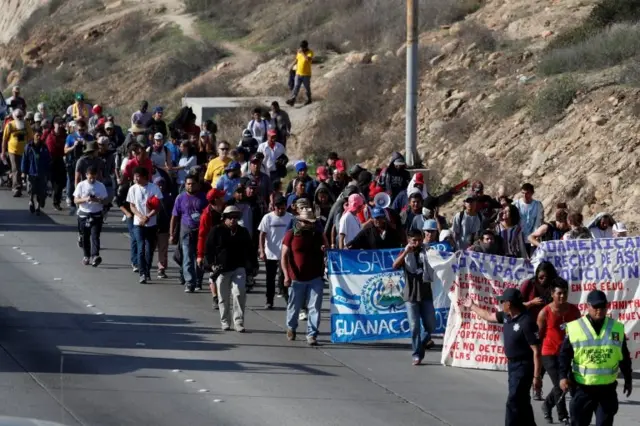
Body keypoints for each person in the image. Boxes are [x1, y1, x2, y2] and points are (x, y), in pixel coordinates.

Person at [465, 288, 542, 426]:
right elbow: (488, 316)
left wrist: (537, 377)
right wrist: (472, 305)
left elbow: (536, 351)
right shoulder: (507, 316)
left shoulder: (526, 322)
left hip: (523, 367)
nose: (501, 304)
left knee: (513, 401)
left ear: (509, 303)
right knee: (522, 401)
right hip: (512, 366)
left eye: (503, 302)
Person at [559, 290, 633, 426]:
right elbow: (564, 355)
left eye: (602, 307)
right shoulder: (575, 328)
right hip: (582, 388)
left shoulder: (616, 328)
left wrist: (628, 379)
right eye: (595, 307)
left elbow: (624, 356)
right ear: (588, 306)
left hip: (607, 389)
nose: (599, 311)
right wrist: (563, 376)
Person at [537, 280, 581, 425]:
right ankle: (563, 416)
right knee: (559, 384)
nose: (562, 296)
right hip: (549, 352)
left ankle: (547, 405)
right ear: (552, 294)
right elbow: (539, 335)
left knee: (565, 383)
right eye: (559, 293)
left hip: (567, 353)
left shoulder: (574, 311)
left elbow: (580, 332)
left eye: (565, 293)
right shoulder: (545, 312)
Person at [205, 205, 254, 332]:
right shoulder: (216, 230)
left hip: (239, 267)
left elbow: (250, 250)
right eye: (230, 217)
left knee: (239, 293)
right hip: (222, 269)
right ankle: (225, 321)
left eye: (235, 217)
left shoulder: (243, 232)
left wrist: (252, 267)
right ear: (224, 218)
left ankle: (238, 321)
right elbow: (209, 249)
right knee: (223, 296)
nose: (233, 220)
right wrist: (211, 264)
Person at [393, 229, 436, 365]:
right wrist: (406, 252)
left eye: (419, 240)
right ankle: (416, 354)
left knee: (431, 325)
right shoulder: (405, 252)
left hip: (426, 294)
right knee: (414, 326)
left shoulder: (428, 251)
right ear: (408, 240)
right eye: (414, 240)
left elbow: (441, 261)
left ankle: (421, 344)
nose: (417, 243)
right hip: (411, 295)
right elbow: (395, 265)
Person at [281, 208, 324, 345]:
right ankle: (291, 327)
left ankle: (312, 334)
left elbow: (327, 248)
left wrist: (325, 249)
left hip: (315, 276)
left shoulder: (317, 234)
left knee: (315, 307)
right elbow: (284, 256)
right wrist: (286, 275)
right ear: (300, 221)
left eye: (311, 222)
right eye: (306, 222)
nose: (308, 225)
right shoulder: (291, 234)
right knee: (294, 306)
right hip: (296, 277)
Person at [126, 166, 163, 284]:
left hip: (151, 224)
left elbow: (158, 206)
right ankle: (142, 273)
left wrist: (148, 216)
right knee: (140, 248)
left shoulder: (154, 188)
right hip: (138, 223)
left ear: (145, 177)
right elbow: (132, 206)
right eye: (134, 176)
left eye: (138, 176)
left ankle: (147, 271)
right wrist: (140, 216)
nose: (136, 179)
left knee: (149, 250)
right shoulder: (132, 189)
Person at [170, 175, 208, 293]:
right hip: (186, 231)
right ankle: (189, 282)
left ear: (198, 184)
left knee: (200, 257)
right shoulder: (180, 198)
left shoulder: (204, 198)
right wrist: (172, 233)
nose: (190, 186)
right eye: (188, 184)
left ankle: (198, 281)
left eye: (193, 183)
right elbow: (175, 217)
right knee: (187, 257)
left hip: (201, 232)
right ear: (185, 185)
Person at [259, 195, 293, 309]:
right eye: (278, 207)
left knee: (285, 278)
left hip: (286, 254)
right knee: (270, 279)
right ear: (274, 207)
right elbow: (262, 235)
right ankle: (269, 300)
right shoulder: (267, 218)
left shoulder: (291, 218)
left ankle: (288, 300)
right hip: (271, 253)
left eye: (282, 207)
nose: (280, 210)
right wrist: (262, 251)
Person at [197, 188, 226, 309]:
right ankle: (215, 297)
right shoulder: (206, 215)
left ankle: (223, 296)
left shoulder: (226, 210)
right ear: (216, 200)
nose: (223, 198)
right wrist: (200, 255)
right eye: (220, 196)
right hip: (212, 248)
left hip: (225, 246)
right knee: (213, 273)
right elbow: (202, 235)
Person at [73, 165, 107, 267]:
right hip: (84, 215)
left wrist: (97, 200)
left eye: (94, 177)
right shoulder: (81, 185)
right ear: (86, 175)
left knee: (95, 236)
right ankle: (86, 255)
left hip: (96, 214)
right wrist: (85, 199)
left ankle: (95, 255)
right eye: (90, 177)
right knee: (85, 237)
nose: (92, 179)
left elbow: (105, 200)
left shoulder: (100, 186)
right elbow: (75, 200)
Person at [2, 109, 34, 197]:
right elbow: (4, 140)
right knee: (15, 169)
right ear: (14, 117)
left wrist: (32, 148)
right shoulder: (10, 125)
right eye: (18, 116)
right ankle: (16, 188)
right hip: (13, 151)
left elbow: (31, 138)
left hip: (25, 151)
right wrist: (3, 152)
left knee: (24, 169)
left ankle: (29, 186)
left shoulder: (26, 124)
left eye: (21, 116)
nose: (19, 118)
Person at [65, 120, 94, 209]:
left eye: (83, 130)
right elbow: (65, 150)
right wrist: (74, 146)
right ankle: (70, 197)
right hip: (73, 161)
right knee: (72, 179)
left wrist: (87, 144)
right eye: (80, 130)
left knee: (85, 179)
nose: (81, 132)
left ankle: (83, 197)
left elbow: (93, 150)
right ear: (76, 128)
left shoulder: (89, 137)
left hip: (85, 161)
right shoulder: (71, 137)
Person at [21, 129, 51, 215]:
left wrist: (48, 173)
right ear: (33, 136)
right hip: (32, 172)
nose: (38, 137)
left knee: (41, 191)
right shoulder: (28, 147)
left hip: (42, 173)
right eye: (37, 135)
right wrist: (23, 172)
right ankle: (31, 201)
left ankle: (38, 207)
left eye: (40, 135)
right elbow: (24, 160)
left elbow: (48, 160)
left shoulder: (44, 147)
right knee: (31, 189)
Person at [514, 183, 544, 255]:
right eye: (523, 193)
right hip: (519, 239)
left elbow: (538, 221)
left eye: (527, 193)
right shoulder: (516, 204)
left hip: (532, 239)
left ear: (532, 193)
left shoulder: (537, 205)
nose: (525, 196)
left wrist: (535, 237)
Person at [44, 117, 68, 210]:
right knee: (50, 180)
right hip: (49, 160)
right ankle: (43, 196)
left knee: (60, 182)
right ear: (54, 124)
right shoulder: (48, 133)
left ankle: (56, 201)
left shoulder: (64, 134)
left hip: (60, 159)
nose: (60, 125)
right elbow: (40, 141)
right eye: (59, 123)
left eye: (62, 123)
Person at [154, 177, 174, 280]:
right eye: (158, 184)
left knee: (163, 249)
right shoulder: (150, 196)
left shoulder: (169, 198)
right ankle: (145, 267)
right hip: (151, 226)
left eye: (162, 184)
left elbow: (173, 214)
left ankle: (161, 268)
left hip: (163, 227)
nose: (160, 186)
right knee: (148, 248)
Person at [286, 40, 313, 106]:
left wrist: (302, 53)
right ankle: (292, 100)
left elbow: (307, 59)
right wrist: (291, 66)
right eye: (301, 47)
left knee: (307, 88)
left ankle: (309, 99)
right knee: (296, 86)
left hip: (306, 74)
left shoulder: (310, 52)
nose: (301, 49)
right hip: (298, 73)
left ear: (306, 47)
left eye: (303, 47)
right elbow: (297, 60)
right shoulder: (299, 52)